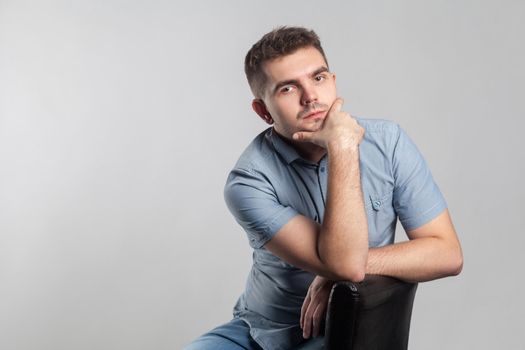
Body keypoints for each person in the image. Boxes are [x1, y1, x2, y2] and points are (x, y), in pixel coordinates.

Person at [183, 26, 463, 350]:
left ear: (332, 81)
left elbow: (447, 253)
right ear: (263, 111)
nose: (310, 97)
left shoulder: (389, 143)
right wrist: (343, 146)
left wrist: (343, 268)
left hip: (344, 334)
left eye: (318, 78)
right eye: (288, 88)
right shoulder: (247, 181)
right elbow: (346, 264)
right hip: (260, 331)